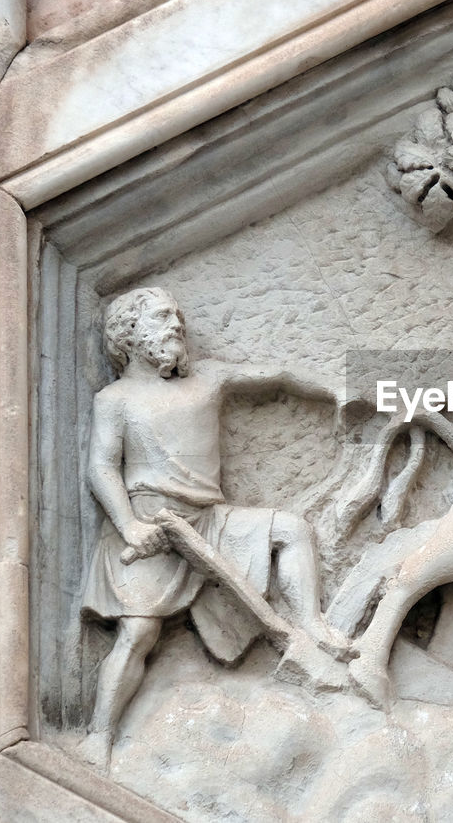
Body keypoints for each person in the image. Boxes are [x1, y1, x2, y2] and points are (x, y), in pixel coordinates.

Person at [77, 287, 346, 768]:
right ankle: (100, 734)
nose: (176, 324)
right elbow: (102, 467)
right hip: (153, 527)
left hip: (212, 521)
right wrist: (130, 527)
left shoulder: (209, 379)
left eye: (177, 316)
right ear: (130, 334)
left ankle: (312, 624)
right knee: (138, 633)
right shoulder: (116, 399)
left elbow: (277, 376)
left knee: (291, 530)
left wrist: (338, 391)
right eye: (162, 317)